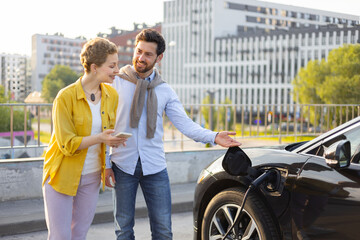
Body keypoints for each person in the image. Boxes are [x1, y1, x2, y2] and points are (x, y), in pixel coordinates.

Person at [105, 28, 241, 240]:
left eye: (148, 54)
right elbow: (102, 124)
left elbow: (185, 124)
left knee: (163, 231)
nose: (140, 57)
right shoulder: (116, 82)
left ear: (159, 58)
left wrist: (213, 136)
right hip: (122, 165)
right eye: (138, 51)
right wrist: (105, 164)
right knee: (123, 229)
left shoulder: (164, 90)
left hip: (155, 166)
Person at [42, 37, 127, 240]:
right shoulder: (65, 97)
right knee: (61, 236)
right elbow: (66, 144)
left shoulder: (111, 96)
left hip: (91, 177)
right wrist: (100, 137)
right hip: (61, 174)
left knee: (79, 234)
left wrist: (108, 156)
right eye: (112, 66)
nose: (117, 70)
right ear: (94, 67)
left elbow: (106, 135)